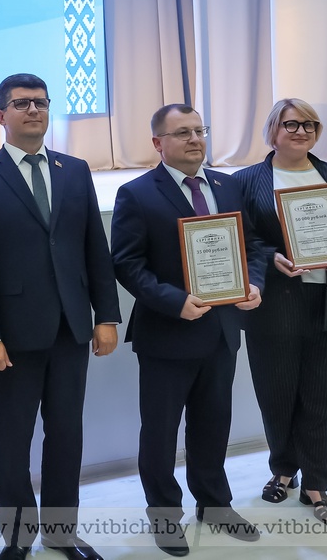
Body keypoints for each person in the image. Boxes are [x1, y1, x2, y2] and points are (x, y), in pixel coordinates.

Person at [0, 73, 120, 560]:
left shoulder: (75, 170)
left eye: (41, 103)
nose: (34, 110)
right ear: (1, 115)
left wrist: (107, 316)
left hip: (71, 328)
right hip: (10, 338)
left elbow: (95, 248)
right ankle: (18, 537)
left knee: (66, 435)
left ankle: (62, 532)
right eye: (22, 103)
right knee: (13, 440)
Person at [110, 104, 265, 557]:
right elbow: (127, 264)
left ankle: (215, 505)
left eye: (200, 130)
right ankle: (164, 514)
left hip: (221, 330)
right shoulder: (136, 193)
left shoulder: (227, 186)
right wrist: (174, 301)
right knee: (160, 432)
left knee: (213, 424)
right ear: (157, 143)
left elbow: (253, 246)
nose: (195, 139)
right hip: (167, 333)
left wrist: (254, 283)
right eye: (182, 133)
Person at [232, 98, 327, 526]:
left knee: (325, 396)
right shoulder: (246, 180)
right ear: (273, 130)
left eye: (310, 125)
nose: (302, 132)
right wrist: (271, 257)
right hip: (274, 304)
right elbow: (242, 239)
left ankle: (316, 482)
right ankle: (283, 469)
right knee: (276, 394)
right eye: (292, 124)